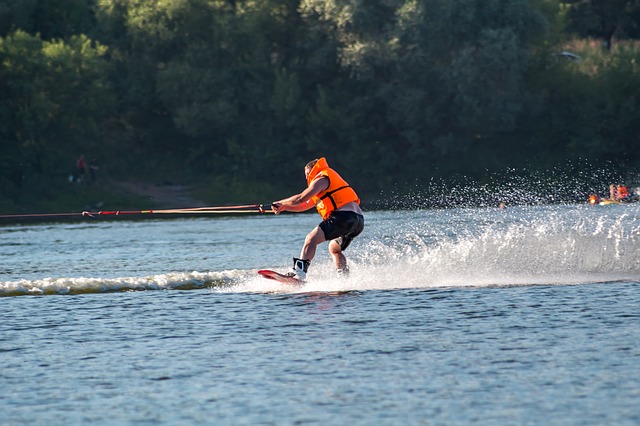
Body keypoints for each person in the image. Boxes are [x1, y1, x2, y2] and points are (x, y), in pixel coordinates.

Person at [271, 157, 364, 280]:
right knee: (334, 249)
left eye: (307, 174)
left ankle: (299, 274)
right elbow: (304, 205)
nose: (306, 178)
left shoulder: (321, 178)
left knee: (311, 239)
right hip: (358, 221)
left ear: (313, 170)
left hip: (344, 218)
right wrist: (285, 207)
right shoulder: (325, 184)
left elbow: (300, 198)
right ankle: (343, 278)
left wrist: (281, 202)